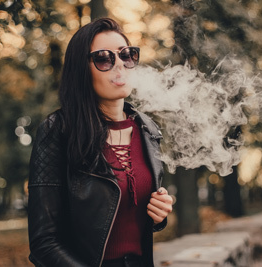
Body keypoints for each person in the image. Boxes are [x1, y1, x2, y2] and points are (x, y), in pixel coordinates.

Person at [28, 18, 173, 267]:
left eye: (126, 55)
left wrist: (158, 216)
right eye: (104, 58)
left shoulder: (147, 129)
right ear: (81, 69)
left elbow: (131, 217)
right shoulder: (57, 130)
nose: (119, 65)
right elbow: (44, 243)